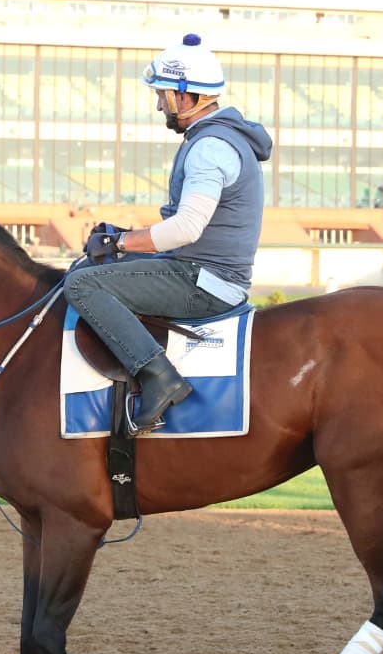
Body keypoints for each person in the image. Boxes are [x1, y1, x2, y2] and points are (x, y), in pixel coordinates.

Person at [64, 33, 273, 433]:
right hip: (199, 269)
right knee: (91, 266)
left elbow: (187, 228)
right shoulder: (214, 139)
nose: (159, 103)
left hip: (207, 281)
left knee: (83, 285)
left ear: (184, 96)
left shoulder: (211, 147)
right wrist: (124, 239)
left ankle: (159, 376)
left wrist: (123, 242)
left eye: (162, 95)